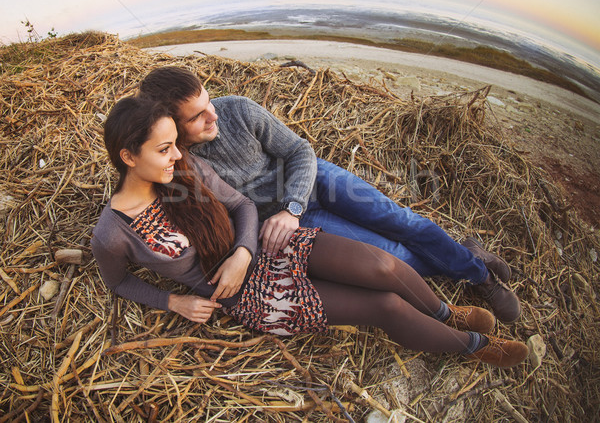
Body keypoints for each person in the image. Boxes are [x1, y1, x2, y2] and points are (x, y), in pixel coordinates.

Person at [91, 95, 529, 368]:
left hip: (268, 244)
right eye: (164, 149)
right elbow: (119, 281)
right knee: (385, 308)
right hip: (249, 297)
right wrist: (175, 301)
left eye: (174, 146)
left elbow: (242, 205)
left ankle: (447, 310)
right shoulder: (112, 232)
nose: (175, 156)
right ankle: (474, 347)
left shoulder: (189, 168)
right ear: (129, 156)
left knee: (382, 263)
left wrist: (244, 251)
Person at [138, 67, 521, 323]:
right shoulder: (180, 166)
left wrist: (291, 205)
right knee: (392, 258)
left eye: (209, 102)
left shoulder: (237, 110)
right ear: (171, 125)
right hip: (292, 222)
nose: (214, 116)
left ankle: (479, 274)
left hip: (314, 183)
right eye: (198, 116)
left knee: (403, 222)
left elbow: (300, 151)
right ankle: (464, 251)